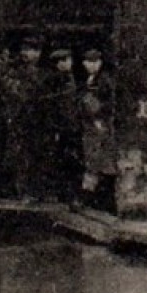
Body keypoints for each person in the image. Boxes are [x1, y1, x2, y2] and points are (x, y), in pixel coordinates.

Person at [1, 33, 47, 201]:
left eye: (36, 50)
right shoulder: (14, 71)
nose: (32, 54)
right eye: (28, 50)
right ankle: (20, 192)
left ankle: (34, 192)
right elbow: (12, 92)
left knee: (37, 156)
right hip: (19, 119)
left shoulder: (42, 73)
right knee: (19, 156)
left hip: (37, 122)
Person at [77, 48, 119, 214]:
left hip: (100, 126)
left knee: (98, 163)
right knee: (95, 162)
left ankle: (93, 200)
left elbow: (109, 104)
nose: (91, 65)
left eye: (94, 62)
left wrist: (97, 114)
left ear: (100, 63)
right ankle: (94, 201)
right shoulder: (90, 79)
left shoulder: (104, 81)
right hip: (92, 127)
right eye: (88, 62)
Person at [46, 48, 83, 204]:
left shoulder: (71, 78)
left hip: (73, 127)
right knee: (62, 162)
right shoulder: (55, 81)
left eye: (68, 60)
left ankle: (71, 196)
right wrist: (55, 127)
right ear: (58, 64)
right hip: (62, 128)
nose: (68, 63)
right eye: (64, 61)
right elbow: (52, 106)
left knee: (73, 161)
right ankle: (63, 196)